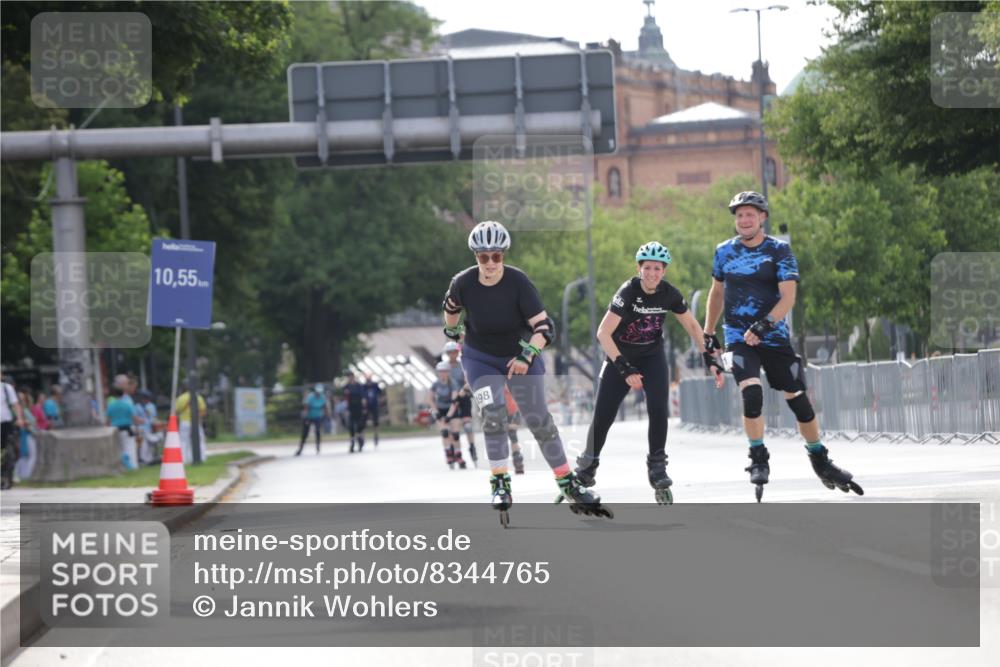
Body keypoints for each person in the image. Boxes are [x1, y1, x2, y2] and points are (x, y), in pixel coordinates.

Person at [442, 220, 611, 524]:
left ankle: (567, 482)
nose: (491, 263)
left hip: (520, 354)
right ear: (475, 257)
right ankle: (500, 483)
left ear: (504, 256)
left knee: (539, 421)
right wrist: (452, 332)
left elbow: (545, 328)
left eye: (497, 256)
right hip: (480, 357)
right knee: (493, 414)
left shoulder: (518, 282)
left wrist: (527, 355)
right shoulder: (463, 282)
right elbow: (451, 306)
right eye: (484, 257)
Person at [704, 191, 863, 501]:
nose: (744, 220)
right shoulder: (723, 252)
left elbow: (788, 297)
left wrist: (764, 325)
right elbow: (717, 293)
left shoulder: (779, 250)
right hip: (738, 337)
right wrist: (709, 334)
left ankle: (820, 459)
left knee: (799, 400)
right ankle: (758, 456)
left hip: (773, 336)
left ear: (763, 217)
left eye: (750, 214)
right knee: (751, 392)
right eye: (739, 215)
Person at [574, 242, 724, 504]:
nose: (652, 273)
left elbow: (691, 324)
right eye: (647, 268)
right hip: (620, 358)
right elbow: (603, 333)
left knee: (658, 409)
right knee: (603, 417)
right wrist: (623, 367)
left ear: (664, 271)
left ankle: (657, 466)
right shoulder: (627, 292)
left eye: (657, 268)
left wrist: (709, 358)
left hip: (652, 357)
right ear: (639, 268)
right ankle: (587, 467)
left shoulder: (669, 294)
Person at [443, 342, 478, 464]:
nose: (453, 354)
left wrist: (463, 391)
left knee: (468, 426)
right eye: (450, 352)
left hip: (463, 397)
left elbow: (467, 380)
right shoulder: (444, 367)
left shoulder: (462, 365)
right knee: (453, 427)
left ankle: (472, 447)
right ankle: (455, 451)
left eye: (455, 352)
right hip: (451, 399)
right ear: (447, 354)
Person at [430, 361, 467, 469]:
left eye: (445, 371)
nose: (442, 374)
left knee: (455, 434)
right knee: (445, 432)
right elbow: (429, 399)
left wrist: (449, 416)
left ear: (448, 372)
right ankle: (448, 454)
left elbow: (455, 400)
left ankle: (458, 455)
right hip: (440, 409)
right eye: (440, 372)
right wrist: (435, 412)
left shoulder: (453, 383)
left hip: (452, 408)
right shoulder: (435, 384)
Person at [1, 379, 27, 490]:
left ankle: (7, 476)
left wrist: (20, 418)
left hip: (6, 423)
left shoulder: (6, 388)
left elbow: (15, 405)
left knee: (11, 451)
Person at [175, 383, 208, 464]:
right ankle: (202, 458)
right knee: (200, 440)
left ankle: (183, 460)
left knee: (183, 441)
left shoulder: (180, 398)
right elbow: (203, 412)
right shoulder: (198, 397)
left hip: (184, 422)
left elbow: (176, 411)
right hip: (195, 422)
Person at [107, 386, 138, 470]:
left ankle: (122, 465)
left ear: (114, 395)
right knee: (130, 447)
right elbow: (133, 416)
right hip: (127, 428)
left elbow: (108, 419)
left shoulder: (111, 405)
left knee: (119, 447)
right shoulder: (127, 404)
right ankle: (132, 465)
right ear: (123, 394)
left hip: (115, 429)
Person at [296, 384, 329, 456]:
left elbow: (325, 407)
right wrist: (307, 418)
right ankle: (300, 448)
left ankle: (318, 447)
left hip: (318, 416)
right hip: (309, 416)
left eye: (319, 393)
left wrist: (327, 415)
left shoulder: (322, 397)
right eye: (317, 393)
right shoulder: (310, 397)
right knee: (305, 433)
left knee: (317, 431)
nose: (318, 394)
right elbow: (306, 407)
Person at [15, 389, 38, 482]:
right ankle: (23, 475)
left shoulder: (24, 410)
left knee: (26, 456)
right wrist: (26, 423)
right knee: (26, 455)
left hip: (28, 434)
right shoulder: (20, 411)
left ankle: (23, 475)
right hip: (24, 434)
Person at [342, 371, 367, 453]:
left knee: (360, 424)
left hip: (358, 407)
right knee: (351, 425)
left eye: (351, 376)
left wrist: (364, 407)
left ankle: (360, 440)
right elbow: (344, 397)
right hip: (350, 408)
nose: (350, 378)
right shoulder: (346, 386)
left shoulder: (358, 386)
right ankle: (352, 441)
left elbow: (363, 396)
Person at [137, 390, 162, 464]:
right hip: (141, 428)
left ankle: (149, 459)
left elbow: (154, 417)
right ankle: (144, 459)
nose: (145, 399)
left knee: (149, 444)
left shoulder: (151, 406)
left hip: (149, 427)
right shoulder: (137, 406)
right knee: (143, 445)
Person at [362, 373, 383, 447]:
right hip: (366, 406)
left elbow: (380, 393)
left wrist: (379, 401)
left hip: (374, 405)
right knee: (363, 421)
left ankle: (376, 435)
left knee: (375, 421)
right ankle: (363, 437)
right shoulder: (363, 386)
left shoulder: (375, 385)